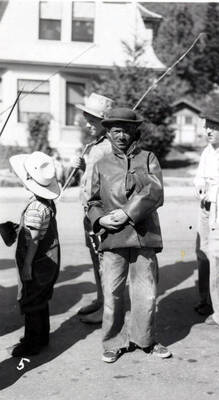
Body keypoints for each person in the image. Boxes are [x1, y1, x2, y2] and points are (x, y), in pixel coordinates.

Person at [87, 107, 172, 363]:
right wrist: (100, 219)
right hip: (113, 239)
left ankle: (145, 340)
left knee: (145, 291)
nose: (121, 135)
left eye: (127, 130)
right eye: (116, 131)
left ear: (135, 131)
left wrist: (126, 213)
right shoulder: (101, 164)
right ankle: (112, 342)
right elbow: (92, 202)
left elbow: (155, 192)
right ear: (109, 133)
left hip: (144, 236)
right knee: (112, 292)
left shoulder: (148, 158)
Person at [9, 151, 61, 357]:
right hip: (49, 260)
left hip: (37, 261)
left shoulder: (35, 208)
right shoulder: (46, 203)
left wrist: (27, 265)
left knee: (31, 300)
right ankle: (42, 335)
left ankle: (33, 342)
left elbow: (33, 240)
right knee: (41, 299)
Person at [72, 93, 114, 324]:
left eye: (93, 120)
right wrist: (82, 168)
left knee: (103, 261)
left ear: (105, 123)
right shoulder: (95, 146)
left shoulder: (106, 147)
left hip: (99, 213)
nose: (88, 124)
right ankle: (101, 298)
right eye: (87, 118)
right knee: (95, 258)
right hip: (89, 212)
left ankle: (107, 309)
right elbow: (91, 179)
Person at [194, 106, 219, 325]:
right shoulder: (207, 151)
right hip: (205, 210)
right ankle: (206, 300)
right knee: (202, 252)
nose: (209, 131)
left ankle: (218, 311)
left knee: (217, 257)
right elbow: (199, 177)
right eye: (207, 126)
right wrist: (200, 185)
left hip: (218, 212)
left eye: (214, 127)